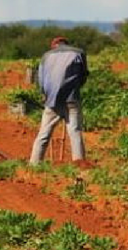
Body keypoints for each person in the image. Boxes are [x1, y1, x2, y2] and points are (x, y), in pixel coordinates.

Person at [29, 36, 89, 164]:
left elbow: (40, 79)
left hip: (51, 101)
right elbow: (83, 75)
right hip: (72, 99)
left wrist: (44, 94)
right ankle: (79, 163)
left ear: (54, 45)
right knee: (75, 132)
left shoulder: (46, 56)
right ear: (66, 44)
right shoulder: (78, 53)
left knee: (44, 134)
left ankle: (34, 164)